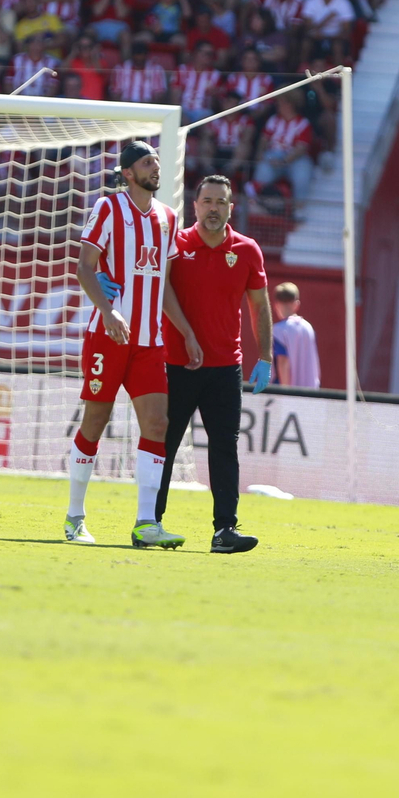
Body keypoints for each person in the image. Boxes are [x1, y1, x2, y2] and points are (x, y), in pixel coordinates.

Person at [65, 141, 203, 549]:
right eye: (147, 163)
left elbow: (161, 287)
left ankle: (146, 523)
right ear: (128, 172)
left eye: (157, 162)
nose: (155, 168)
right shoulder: (108, 208)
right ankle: (75, 518)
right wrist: (108, 311)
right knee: (94, 422)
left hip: (149, 341)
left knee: (158, 425)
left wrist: (187, 331)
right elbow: (84, 269)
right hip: (108, 337)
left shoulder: (168, 217)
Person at [140, 175, 272, 553]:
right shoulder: (175, 245)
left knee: (225, 447)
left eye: (222, 202)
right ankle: (150, 521)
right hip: (175, 364)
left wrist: (265, 356)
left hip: (224, 368)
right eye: (208, 201)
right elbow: (155, 288)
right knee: (162, 444)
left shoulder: (247, 250)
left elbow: (259, 305)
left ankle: (224, 531)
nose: (214, 208)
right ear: (194, 206)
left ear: (231, 208)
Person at [271, 282, 319, 388]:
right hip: (310, 395)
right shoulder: (308, 328)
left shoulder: (278, 330)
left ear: (276, 305)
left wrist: (286, 394)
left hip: (287, 397)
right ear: (297, 304)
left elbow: (283, 362)